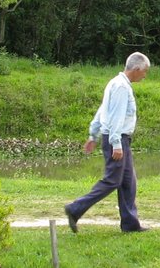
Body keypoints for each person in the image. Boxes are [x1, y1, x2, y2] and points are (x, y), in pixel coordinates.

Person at [64, 52, 151, 233]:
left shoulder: (116, 83)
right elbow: (116, 117)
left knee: (128, 182)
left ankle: (130, 224)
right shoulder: (121, 87)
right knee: (112, 180)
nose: (145, 75)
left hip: (118, 139)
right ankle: (75, 209)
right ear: (136, 69)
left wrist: (93, 134)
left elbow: (103, 111)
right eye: (145, 71)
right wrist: (116, 143)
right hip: (117, 139)